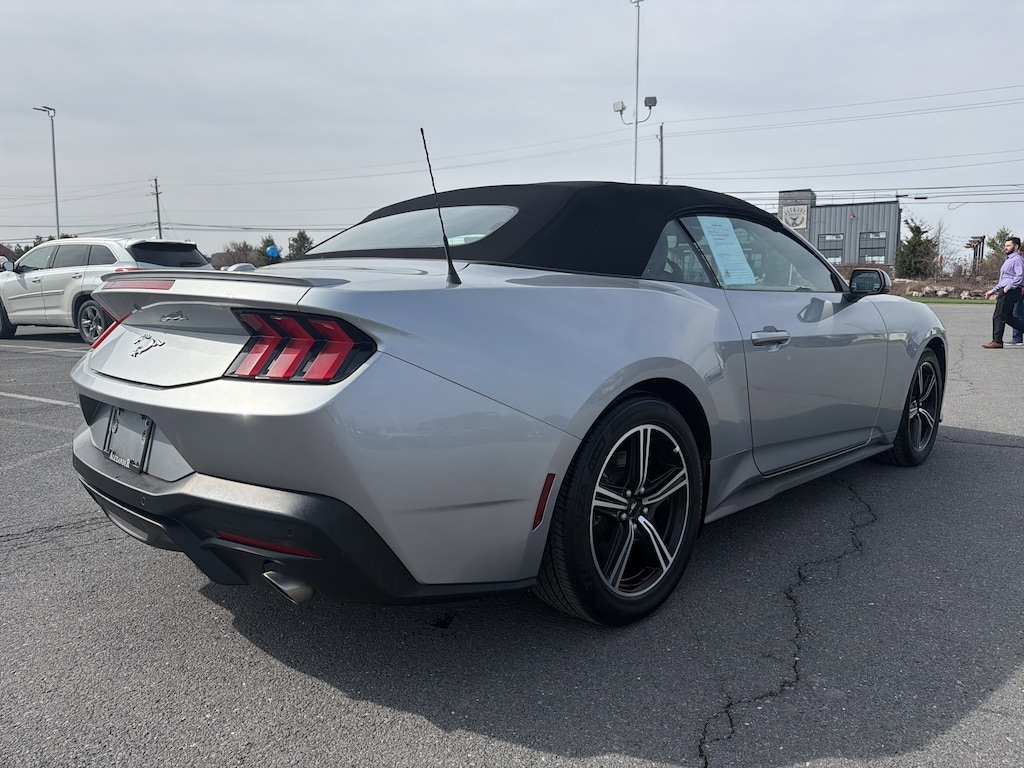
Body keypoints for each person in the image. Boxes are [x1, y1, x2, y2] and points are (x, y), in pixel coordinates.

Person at [982, 236, 1024, 348]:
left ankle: (997, 341)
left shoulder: (1017, 260)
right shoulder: (1009, 260)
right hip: (1006, 290)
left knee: (999, 315)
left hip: (1011, 291)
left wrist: (1007, 288)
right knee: (1008, 317)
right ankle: (997, 340)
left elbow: (1019, 276)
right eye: (1005, 246)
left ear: (1016, 246)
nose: (1005, 248)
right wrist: (993, 290)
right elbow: (1003, 279)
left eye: (1008, 246)